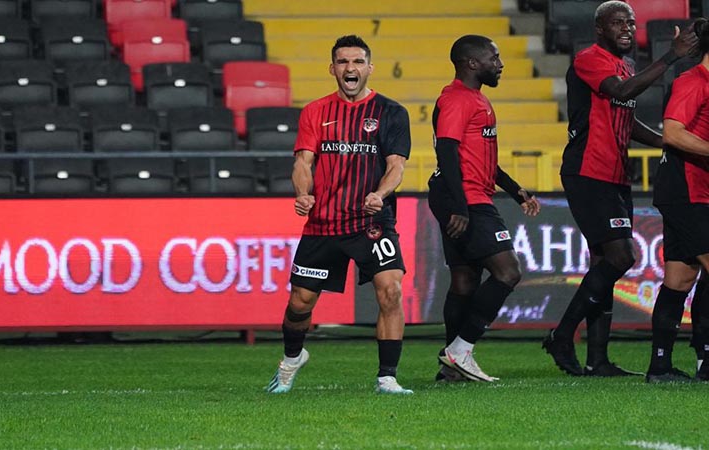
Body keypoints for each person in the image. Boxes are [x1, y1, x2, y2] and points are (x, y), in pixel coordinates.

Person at [543, 0, 699, 377]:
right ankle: (563, 335)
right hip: (587, 171)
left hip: (614, 174)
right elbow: (621, 91)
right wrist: (670, 58)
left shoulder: (625, 64)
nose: (627, 29)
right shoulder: (589, 59)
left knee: (605, 263)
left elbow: (626, 121)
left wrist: (666, 141)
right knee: (621, 257)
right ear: (600, 29)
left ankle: (598, 360)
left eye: (630, 23)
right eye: (618, 23)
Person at [265, 35, 413, 395]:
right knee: (300, 304)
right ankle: (291, 359)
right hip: (324, 224)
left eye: (358, 62)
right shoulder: (315, 112)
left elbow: (397, 165)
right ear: (333, 69)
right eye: (343, 62)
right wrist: (303, 194)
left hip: (371, 222)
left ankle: (387, 377)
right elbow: (303, 161)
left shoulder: (391, 112)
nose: (351, 68)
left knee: (390, 290)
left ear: (369, 68)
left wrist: (380, 193)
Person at [428, 34, 541, 383]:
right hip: (465, 198)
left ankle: (452, 368)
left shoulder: (476, 99)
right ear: (472, 63)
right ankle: (461, 349)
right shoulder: (459, 100)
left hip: (462, 194)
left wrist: (516, 190)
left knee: (464, 281)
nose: (500, 64)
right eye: (494, 57)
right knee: (508, 272)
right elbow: (446, 152)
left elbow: (479, 158)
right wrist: (460, 207)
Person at [647, 17, 709, 383]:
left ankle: (660, 366)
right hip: (686, 190)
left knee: (681, 278)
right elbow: (672, 133)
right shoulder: (693, 81)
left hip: (695, 190)